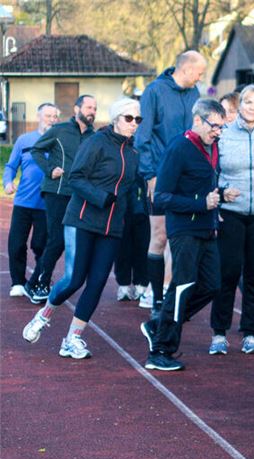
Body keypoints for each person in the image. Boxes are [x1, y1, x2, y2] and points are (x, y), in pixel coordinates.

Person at [22, 98, 141, 358]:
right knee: (74, 279)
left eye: (138, 119)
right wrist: (100, 197)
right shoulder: (96, 143)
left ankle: (72, 339)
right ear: (116, 118)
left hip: (112, 228)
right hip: (83, 219)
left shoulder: (133, 154)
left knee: (97, 283)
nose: (134, 124)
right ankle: (44, 315)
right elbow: (75, 177)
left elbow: (129, 188)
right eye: (129, 118)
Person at [141, 99, 235, 371]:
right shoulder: (179, 148)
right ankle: (160, 351)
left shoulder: (212, 146)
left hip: (208, 228)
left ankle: (159, 326)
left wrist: (222, 194)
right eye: (214, 126)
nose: (218, 131)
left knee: (211, 285)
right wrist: (200, 203)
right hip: (184, 230)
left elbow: (205, 186)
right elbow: (162, 197)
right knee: (182, 287)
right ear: (197, 120)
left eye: (221, 126)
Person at [208, 84, 254, 355]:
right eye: (248, 102)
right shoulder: (223, 136)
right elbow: (210, 172)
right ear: (241, 104)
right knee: (227, 272)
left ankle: (250, 333)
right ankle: (218, 332)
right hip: (231, 213)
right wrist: (221, 194)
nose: (252, 107)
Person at [136, 50, 206, 314]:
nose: (201, 77)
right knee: (160, 235)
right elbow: (142, 137)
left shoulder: (194, 94)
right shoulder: (154, 92)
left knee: (179, 235)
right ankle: (152, 295)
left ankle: (166, 288)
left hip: (187, 176)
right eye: (199, 72)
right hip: (159, 173)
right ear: (186, 69)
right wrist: (150, 175)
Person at [26, 95, 96, 303]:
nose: (92, 111)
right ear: (77, 109)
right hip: (56, 191)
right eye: (89, 107)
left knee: (67, 241)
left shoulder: (94, 137)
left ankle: (35, 282)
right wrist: (50, 169)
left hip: (79, 194)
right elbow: (37, 150)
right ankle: (40, 283)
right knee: (56, 239)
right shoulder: (60, 129)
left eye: (95, 108)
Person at [5, 103, 58, 297]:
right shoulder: (24, 140)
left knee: (40, 245)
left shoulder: (58, 143)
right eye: (48, 115)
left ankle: (42, 280)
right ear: (38, 116)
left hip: (47, 205)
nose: (51, 119)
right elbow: (11, 165)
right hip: (23, 203)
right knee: (16, 243)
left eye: (54, 116)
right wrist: (8, 182)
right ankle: (18, 282)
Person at [113, 175, 150, 301]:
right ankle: (124, 284)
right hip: (122, 196)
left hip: (142, 197)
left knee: (143, 242)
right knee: (123, 244)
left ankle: (141, 284)